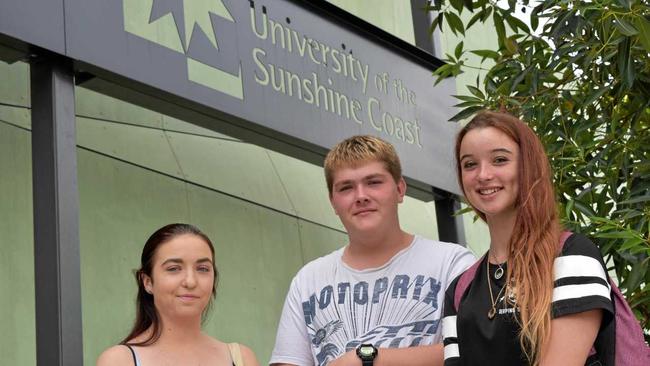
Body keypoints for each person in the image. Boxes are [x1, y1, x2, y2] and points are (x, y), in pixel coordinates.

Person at [270, 135, 475, 366]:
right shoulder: (308, 280)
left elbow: (475, 348)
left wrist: (367, 358)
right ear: (332, 201)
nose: (361, 196)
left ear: (400, 189)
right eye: (346, 187)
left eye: (373, 182)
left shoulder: (452, 263)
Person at [443, 111, 614, 366]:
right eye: (470, 164)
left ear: (528, 166)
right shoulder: (459, 290)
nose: (483, 175)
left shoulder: (571, 258)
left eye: (500, 160)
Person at [97, 223, 259, 366]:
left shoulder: (242, 359)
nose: (190, 281)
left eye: (202, 269)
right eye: (173, 268)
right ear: (147, 282)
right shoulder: (119, 361)